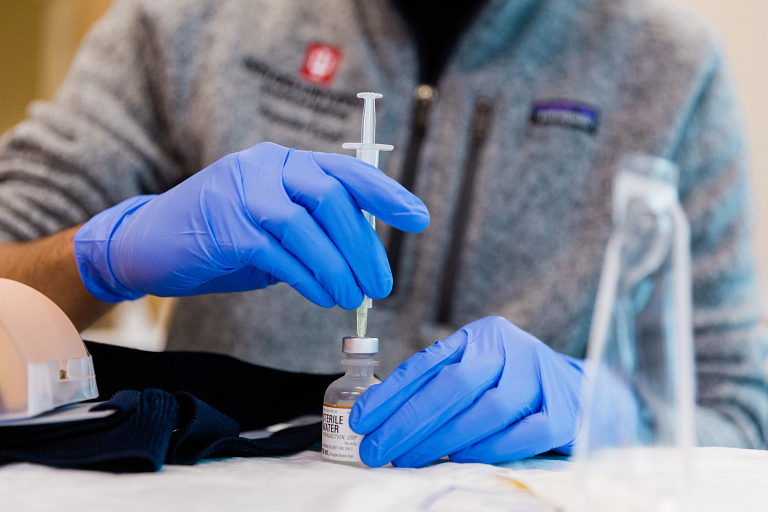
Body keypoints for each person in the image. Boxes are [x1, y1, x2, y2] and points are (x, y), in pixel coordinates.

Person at [0, 0, 765, 467]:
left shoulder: (669, 64)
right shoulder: (185, 20)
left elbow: (740, 416)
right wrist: (106, 256)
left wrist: (603, 414)